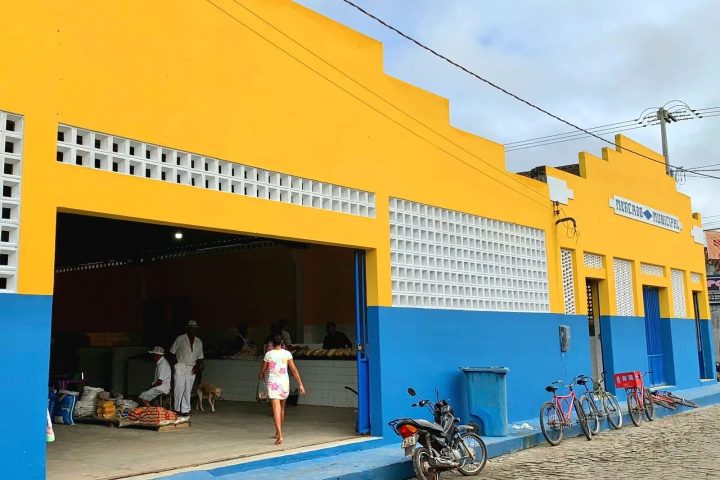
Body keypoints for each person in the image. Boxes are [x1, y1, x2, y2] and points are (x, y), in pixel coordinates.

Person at [258, 334, 305, 445]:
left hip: (273, 384)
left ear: (272, 343)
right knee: (282, 409)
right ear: (282, 342)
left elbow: (263, 370)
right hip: (284, 383)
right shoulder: (287, 354)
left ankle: (280, 435)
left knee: (276, 409)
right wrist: (300, 384)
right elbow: (293, 370)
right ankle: (278, 432)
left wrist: (260, 375)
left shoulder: (268, 354)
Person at [169, 320, 204, 416]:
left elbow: (200, 357)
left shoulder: (199, 341)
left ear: (196, 329)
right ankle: (176, 409)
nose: (192, 329)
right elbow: (172, 352)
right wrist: (175, 365)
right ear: (187, 328)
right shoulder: (180, 338)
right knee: (178, 387)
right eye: (190, 327)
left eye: (194, 328)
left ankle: (185, 410)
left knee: (188, 389)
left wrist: (197, 367)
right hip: (180, 365)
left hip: (192, 367)